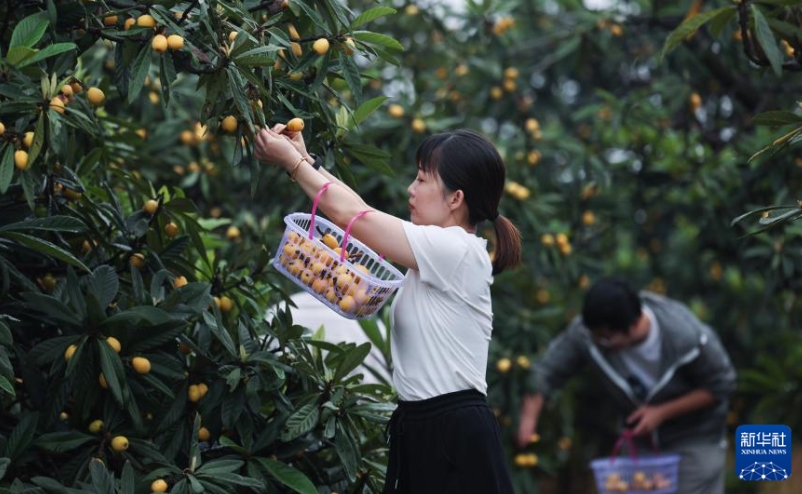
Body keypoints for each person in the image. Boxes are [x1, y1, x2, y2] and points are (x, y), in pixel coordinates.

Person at [255, 125, 521, 494]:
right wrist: (304, 159)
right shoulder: (431, 255)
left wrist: (292, 163)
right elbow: (357, 209)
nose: (411, 189)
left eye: (422, 179)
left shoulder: (456, 250)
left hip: (453, 431)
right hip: (422, 425)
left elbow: (353, 215)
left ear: (455, 198)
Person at [517, 277, 736, 494]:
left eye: (606, 338)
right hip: (640, 441)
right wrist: (528, 421)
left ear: (634, 325)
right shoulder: (589, 333)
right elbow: (547, 370)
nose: (599, 343)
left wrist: (661, 412)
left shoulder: (686, 337)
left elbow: (722, 384)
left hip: (695, 438)